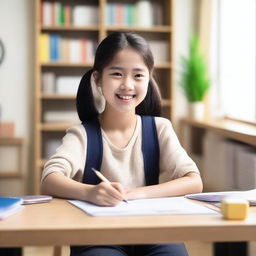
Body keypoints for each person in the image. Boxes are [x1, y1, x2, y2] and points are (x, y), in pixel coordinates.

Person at [41, 32, 203, 256]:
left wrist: (137, 194)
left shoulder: (159, 128)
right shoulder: (83, 135)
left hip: (151, 230)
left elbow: (194, 181)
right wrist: (91, 193)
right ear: (98, 79)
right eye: (117, 74)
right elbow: (49, 179)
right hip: (96, 234)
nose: (127, 85)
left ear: (149, 78)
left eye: (138, 75)